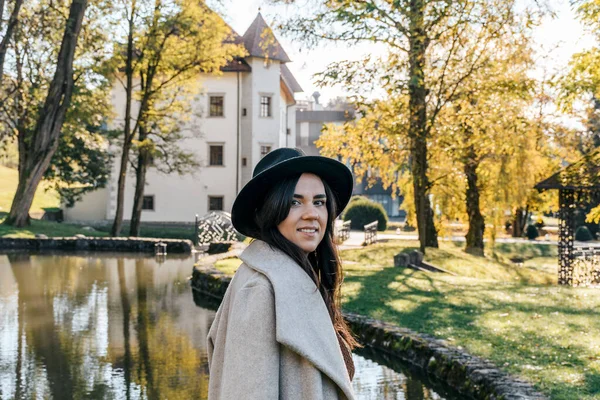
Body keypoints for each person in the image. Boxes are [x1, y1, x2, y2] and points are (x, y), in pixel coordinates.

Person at [207, 148, 358, 400]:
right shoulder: (260, 289)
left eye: (319, 202)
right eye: (294, 202)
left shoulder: (291, 276)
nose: (312, 213)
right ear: (271, 211)